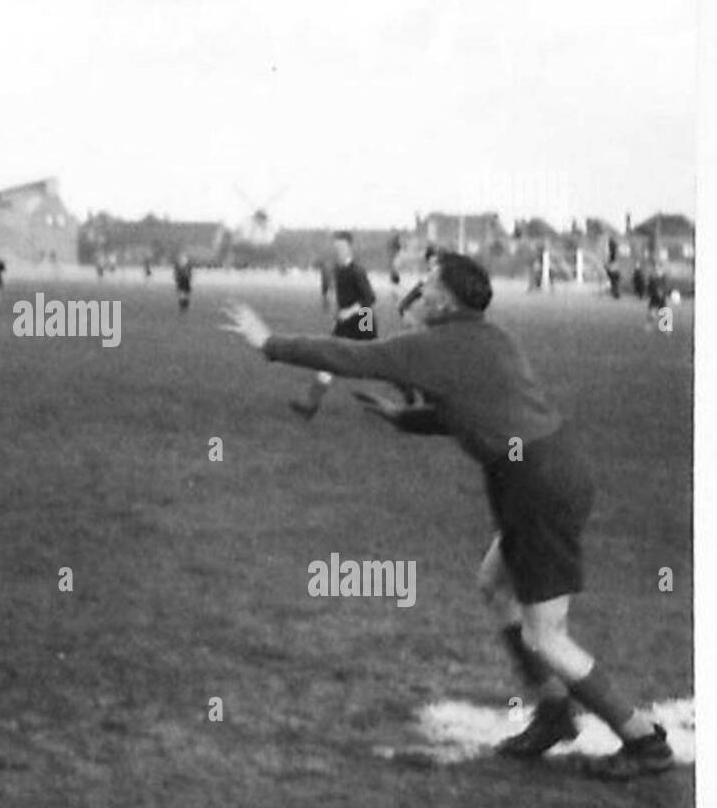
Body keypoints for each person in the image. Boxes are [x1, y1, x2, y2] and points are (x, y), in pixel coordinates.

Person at [222, 252, 673, 779]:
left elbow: (351, 355)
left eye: (429, 282)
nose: (419, 288)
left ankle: (643, 740)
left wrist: (269, 344)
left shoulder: (433, 345)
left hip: (537, 484)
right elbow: (477, 407)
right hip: (538, 471)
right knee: (495, 586)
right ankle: (553, 713)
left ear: (446, 298)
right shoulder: (489, 336)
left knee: (546, 635)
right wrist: (405, 419)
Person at [291, 231, 376, 418]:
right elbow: (329, 289)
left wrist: (350, 312)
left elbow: (369, 298)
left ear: (350, 248)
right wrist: (328, 302)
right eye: (336, 247)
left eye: (342, 247)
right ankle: (310, 404)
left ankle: (404, 386)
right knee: (330, 359)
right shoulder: (334, 270)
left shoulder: (357, 271)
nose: (338, 250)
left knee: (374, 361)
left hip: (364, 318)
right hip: (345, 321)